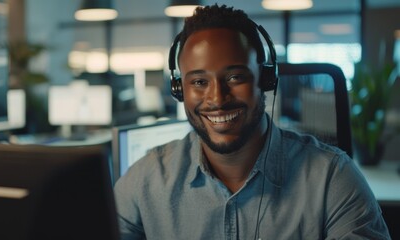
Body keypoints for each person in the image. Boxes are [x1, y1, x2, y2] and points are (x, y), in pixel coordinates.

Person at [114, 4, 391, 240]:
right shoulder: (145, 181)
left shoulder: (332, 178)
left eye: (235, 77)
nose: (217, 98)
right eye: (199, 82)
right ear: (179, 90)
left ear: (265, 80)